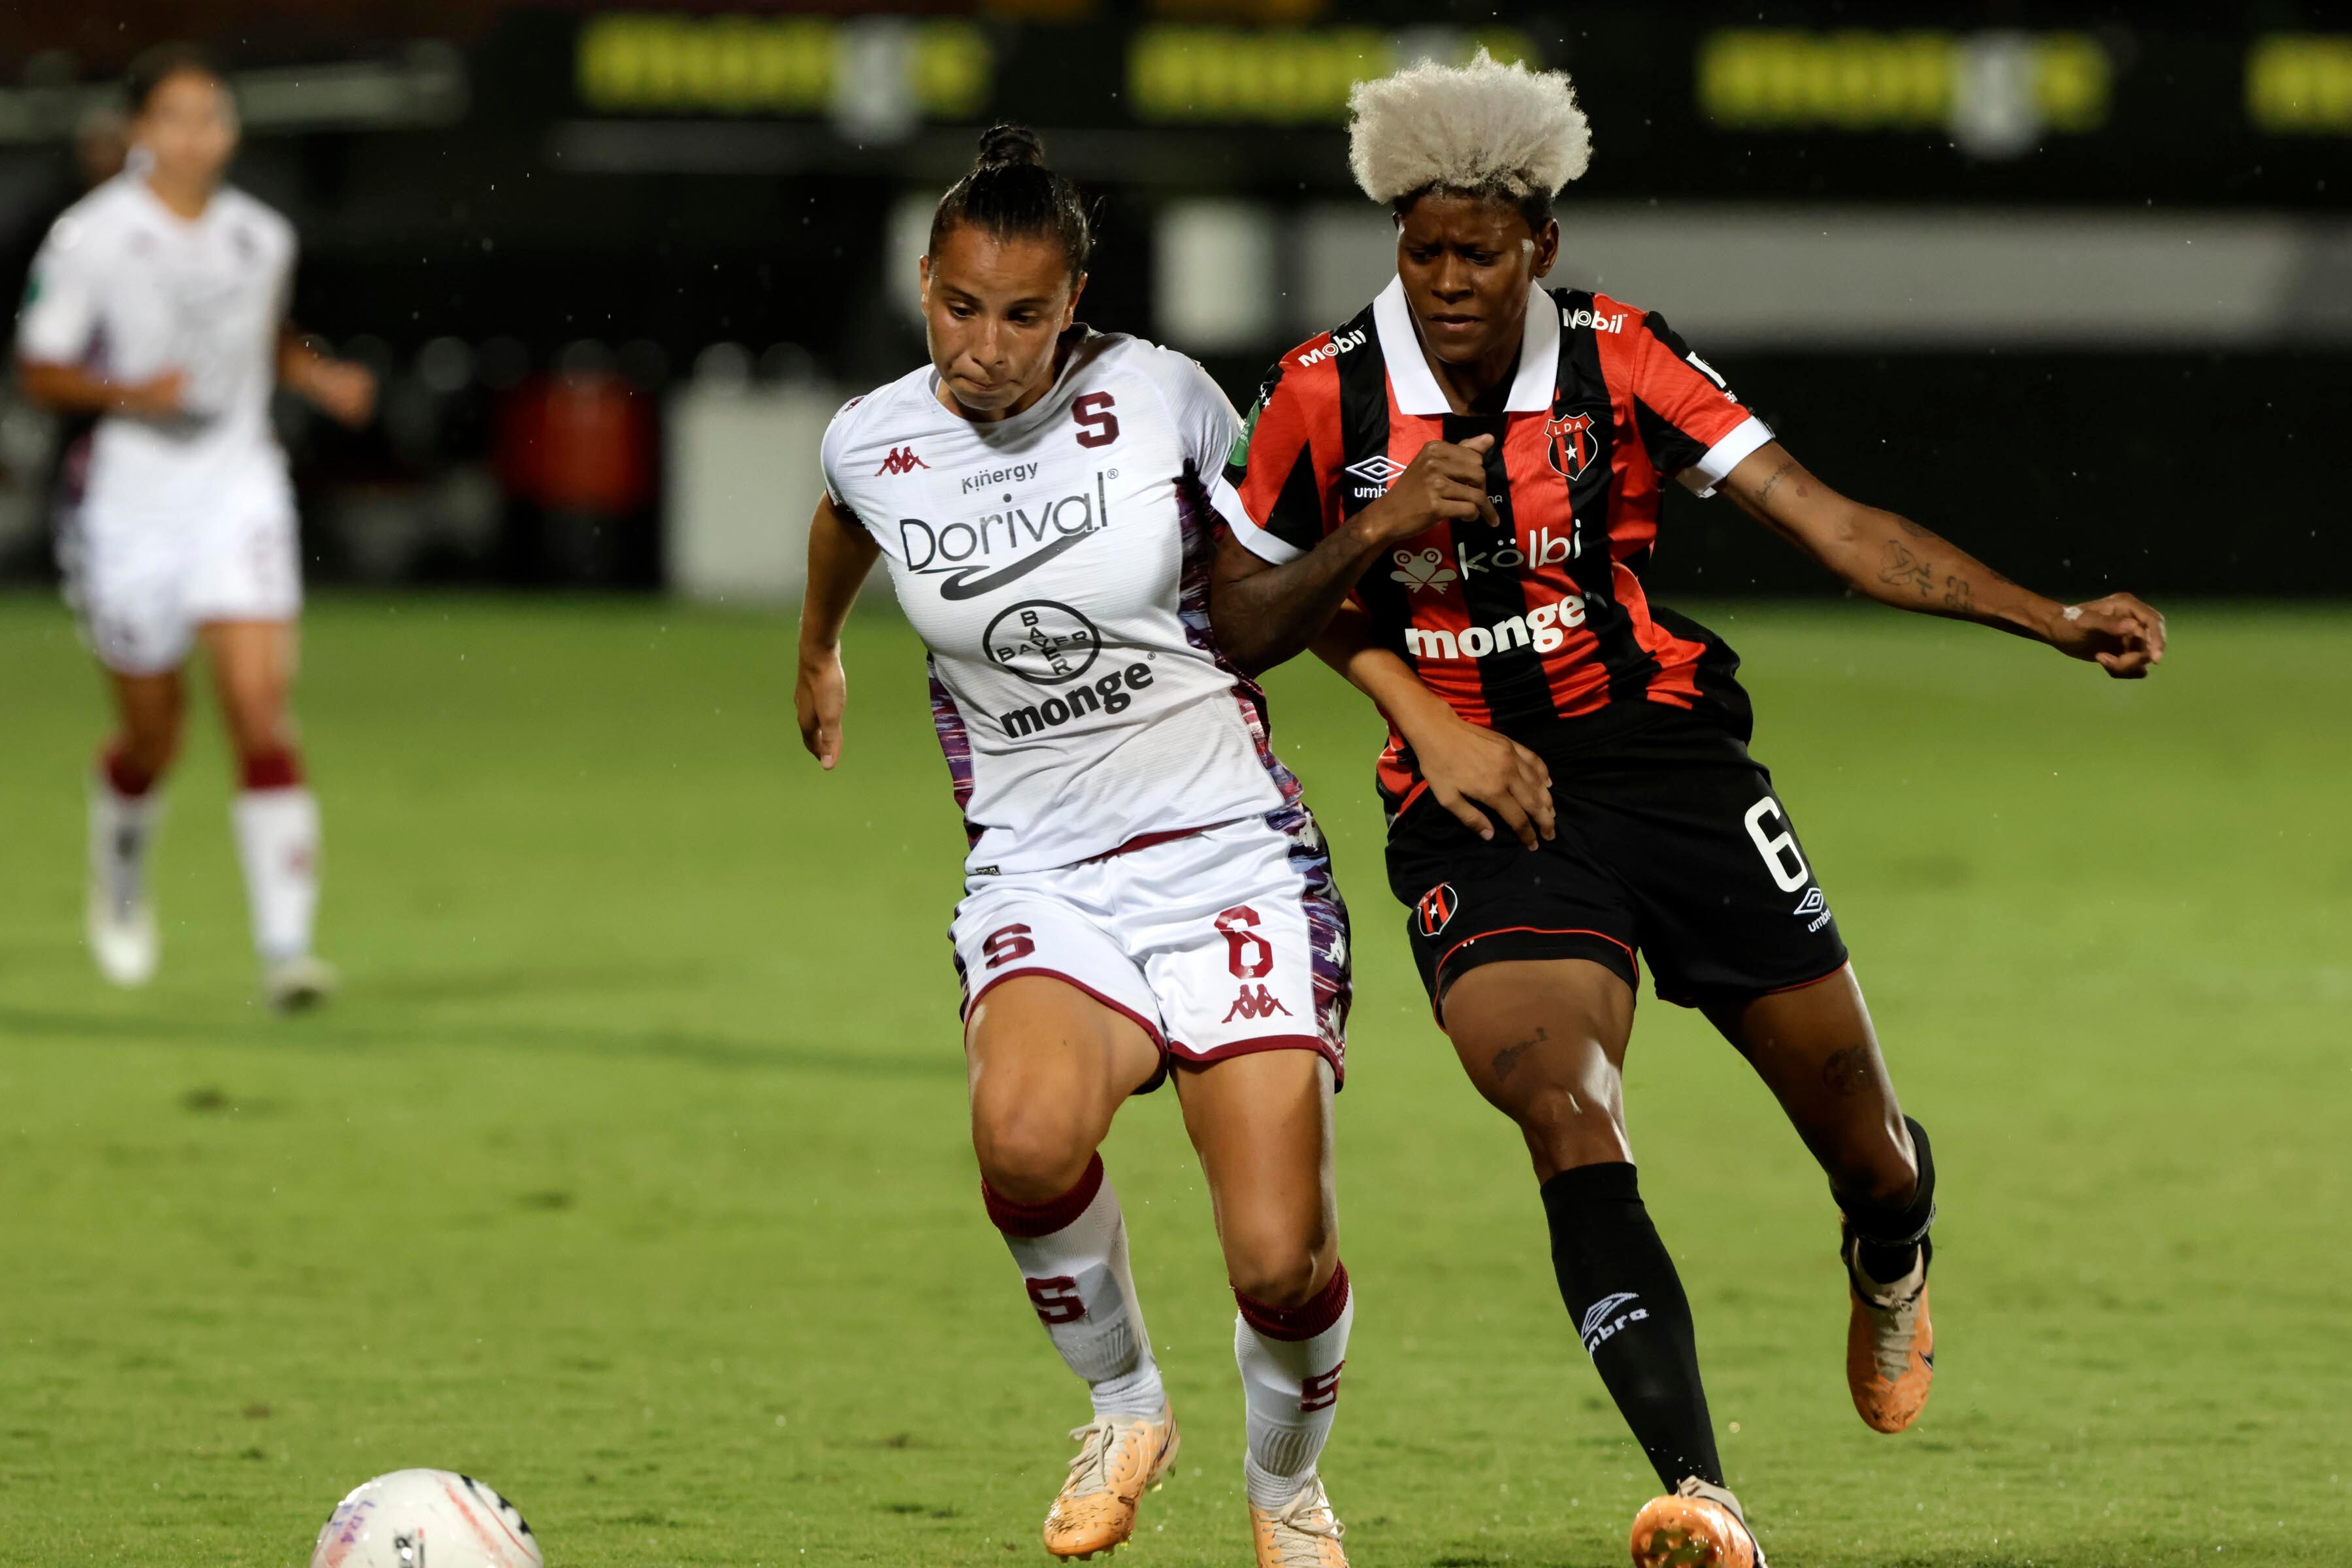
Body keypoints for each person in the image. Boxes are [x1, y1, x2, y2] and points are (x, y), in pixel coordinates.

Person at [1209, 52, 2164, 1568]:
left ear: (1544, 246)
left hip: (1669, 769)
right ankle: (1701, 1497)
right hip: (1477, 810)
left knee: (1864, 1143)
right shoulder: (1325, 390)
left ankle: (1897, 1243)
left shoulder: (1624, 356)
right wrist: (1389, 564)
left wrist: (2046, 616)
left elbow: (1835, 524)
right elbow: (1241, 612)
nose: (1448, 280)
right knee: (1564, 1106)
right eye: (1422, 247)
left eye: (1481, 250)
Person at [800, 125, 1358, 1567]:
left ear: (1078, 300)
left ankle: (1287, 1488)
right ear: (923, 284)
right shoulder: (874, 435)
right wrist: (820, 653)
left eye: (1026, 315)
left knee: (1279, 1260)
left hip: (1229, 850)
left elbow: (1262, 597)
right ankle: (1126, 1407)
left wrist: (1416, 678)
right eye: (960, 309)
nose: (987, 348)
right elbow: (846, 519)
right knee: (1026, 1137)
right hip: (1044, 871)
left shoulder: (1167, 399)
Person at [16, 44, 376, 1007]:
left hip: (238, 489)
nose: (195, 135)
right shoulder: (90, 238)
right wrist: (130, 392)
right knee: (153, 739)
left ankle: (286, 951)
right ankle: (122, 869)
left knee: (259, 711)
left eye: (212, 117)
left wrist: (314, 374)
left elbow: (261, 333)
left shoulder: (261, 235)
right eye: (175, 118)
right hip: (128, 508)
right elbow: (38, 370)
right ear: (140, 130)